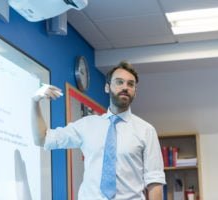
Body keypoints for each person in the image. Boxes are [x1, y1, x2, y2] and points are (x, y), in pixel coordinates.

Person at [32, 61, 166, 200]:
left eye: (130, 84)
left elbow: (154, 182)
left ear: (135, 92)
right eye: (119, 82)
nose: (125, 87)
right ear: (107, 87)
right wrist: (35, 102)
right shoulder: (87, 125)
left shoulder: (146, 131)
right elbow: (42, 139)